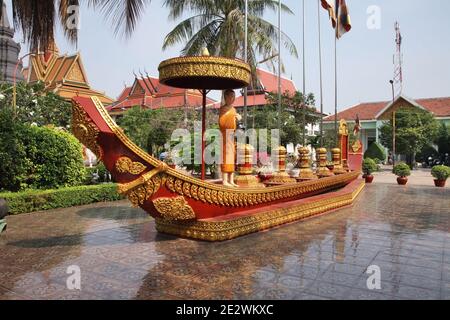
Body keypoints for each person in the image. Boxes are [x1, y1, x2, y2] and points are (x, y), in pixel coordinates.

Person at [219, 89, 241, 187]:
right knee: (225, 157)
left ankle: (231, 180)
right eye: (230, 96)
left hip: (232, 135)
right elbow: (222, 122)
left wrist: (236, 118)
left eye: (233, 96)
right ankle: (224, 180)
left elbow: (235, 123)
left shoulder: (233, 109)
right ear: (225, 97)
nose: (232, 99)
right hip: (225, 135)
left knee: (232, 157)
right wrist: (233, 116)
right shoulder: (223, 109)